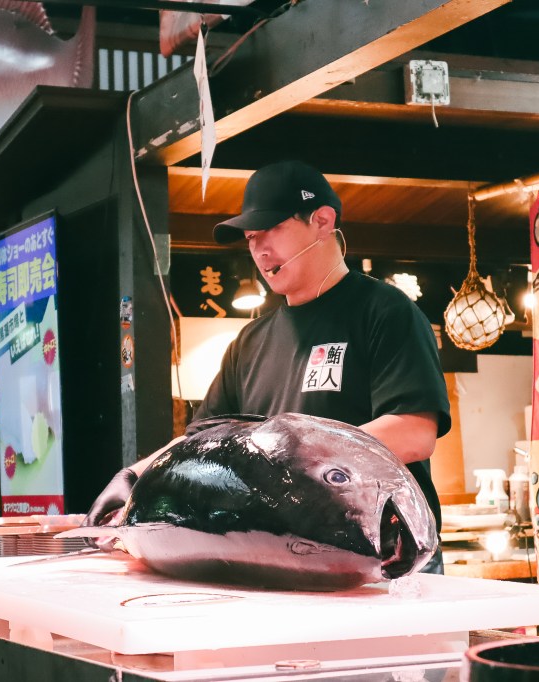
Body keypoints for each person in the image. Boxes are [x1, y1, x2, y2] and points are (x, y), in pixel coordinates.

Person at [84, 160, 451, 572]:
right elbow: (202, 442)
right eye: (251, 238)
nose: (259, 249)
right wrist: (136, 476)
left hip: (386, 560)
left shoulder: (385, 312)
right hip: (285, 559)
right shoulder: (250, 341)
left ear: (322, 220)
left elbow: (414, 432)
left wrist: (288, 460)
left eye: (271, 229)